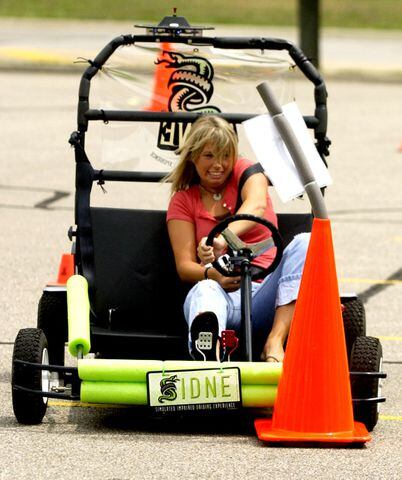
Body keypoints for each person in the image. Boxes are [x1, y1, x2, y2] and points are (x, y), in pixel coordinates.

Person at [166, 115, 309, 362]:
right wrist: (214, 275)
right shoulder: (183, 201)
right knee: (204, 290)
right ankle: (210, 355)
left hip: (268, 294)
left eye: (225, 156)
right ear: (193, 156)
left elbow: (256, 204)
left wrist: (224, 238)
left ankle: (275, 342)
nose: (218, 164)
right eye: (209, 156)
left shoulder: (246, 172)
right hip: (223, 295)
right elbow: (184, 266)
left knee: (306, 242)